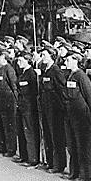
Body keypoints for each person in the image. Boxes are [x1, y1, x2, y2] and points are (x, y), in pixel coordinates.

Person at [63, 50, 91, 181]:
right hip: (71, 115)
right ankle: (74, 172)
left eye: (68, 60)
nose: (66, 62)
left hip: (81, 116)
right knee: (72, 144)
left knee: (82, 146)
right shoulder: (70, 75)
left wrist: (90, 114)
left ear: (76, 60)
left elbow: (88, 96)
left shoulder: (81, 76)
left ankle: (84, 175)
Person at [38, 45, 67, 173]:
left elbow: (61, 91)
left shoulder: (56, 71)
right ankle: (50, 162)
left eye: (44, 55)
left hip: (54, 110)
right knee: (48, 135)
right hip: (45, 108)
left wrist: (60, 108)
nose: (42, 57)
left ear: (52, 56)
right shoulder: (46, 70)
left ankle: (58, 165)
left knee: (56, 137)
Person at [16, 52, 40, 167]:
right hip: (22, 106)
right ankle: (24, 155)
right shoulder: (23, 73)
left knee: (29, 131)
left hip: (29, 107)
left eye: (21, 60)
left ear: (28, 61)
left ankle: (32, 158)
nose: (18, 62)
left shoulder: (31, 74)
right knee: (22, 131)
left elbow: (34, 92)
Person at [0, 48, 18, 156]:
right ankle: (3, 146)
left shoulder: (9, 69)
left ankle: (11, 149)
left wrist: (16, 101)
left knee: (9, 125)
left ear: (3, 56)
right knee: (1, 124)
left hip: (9, 100)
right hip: (0, 100)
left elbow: (14, 86)